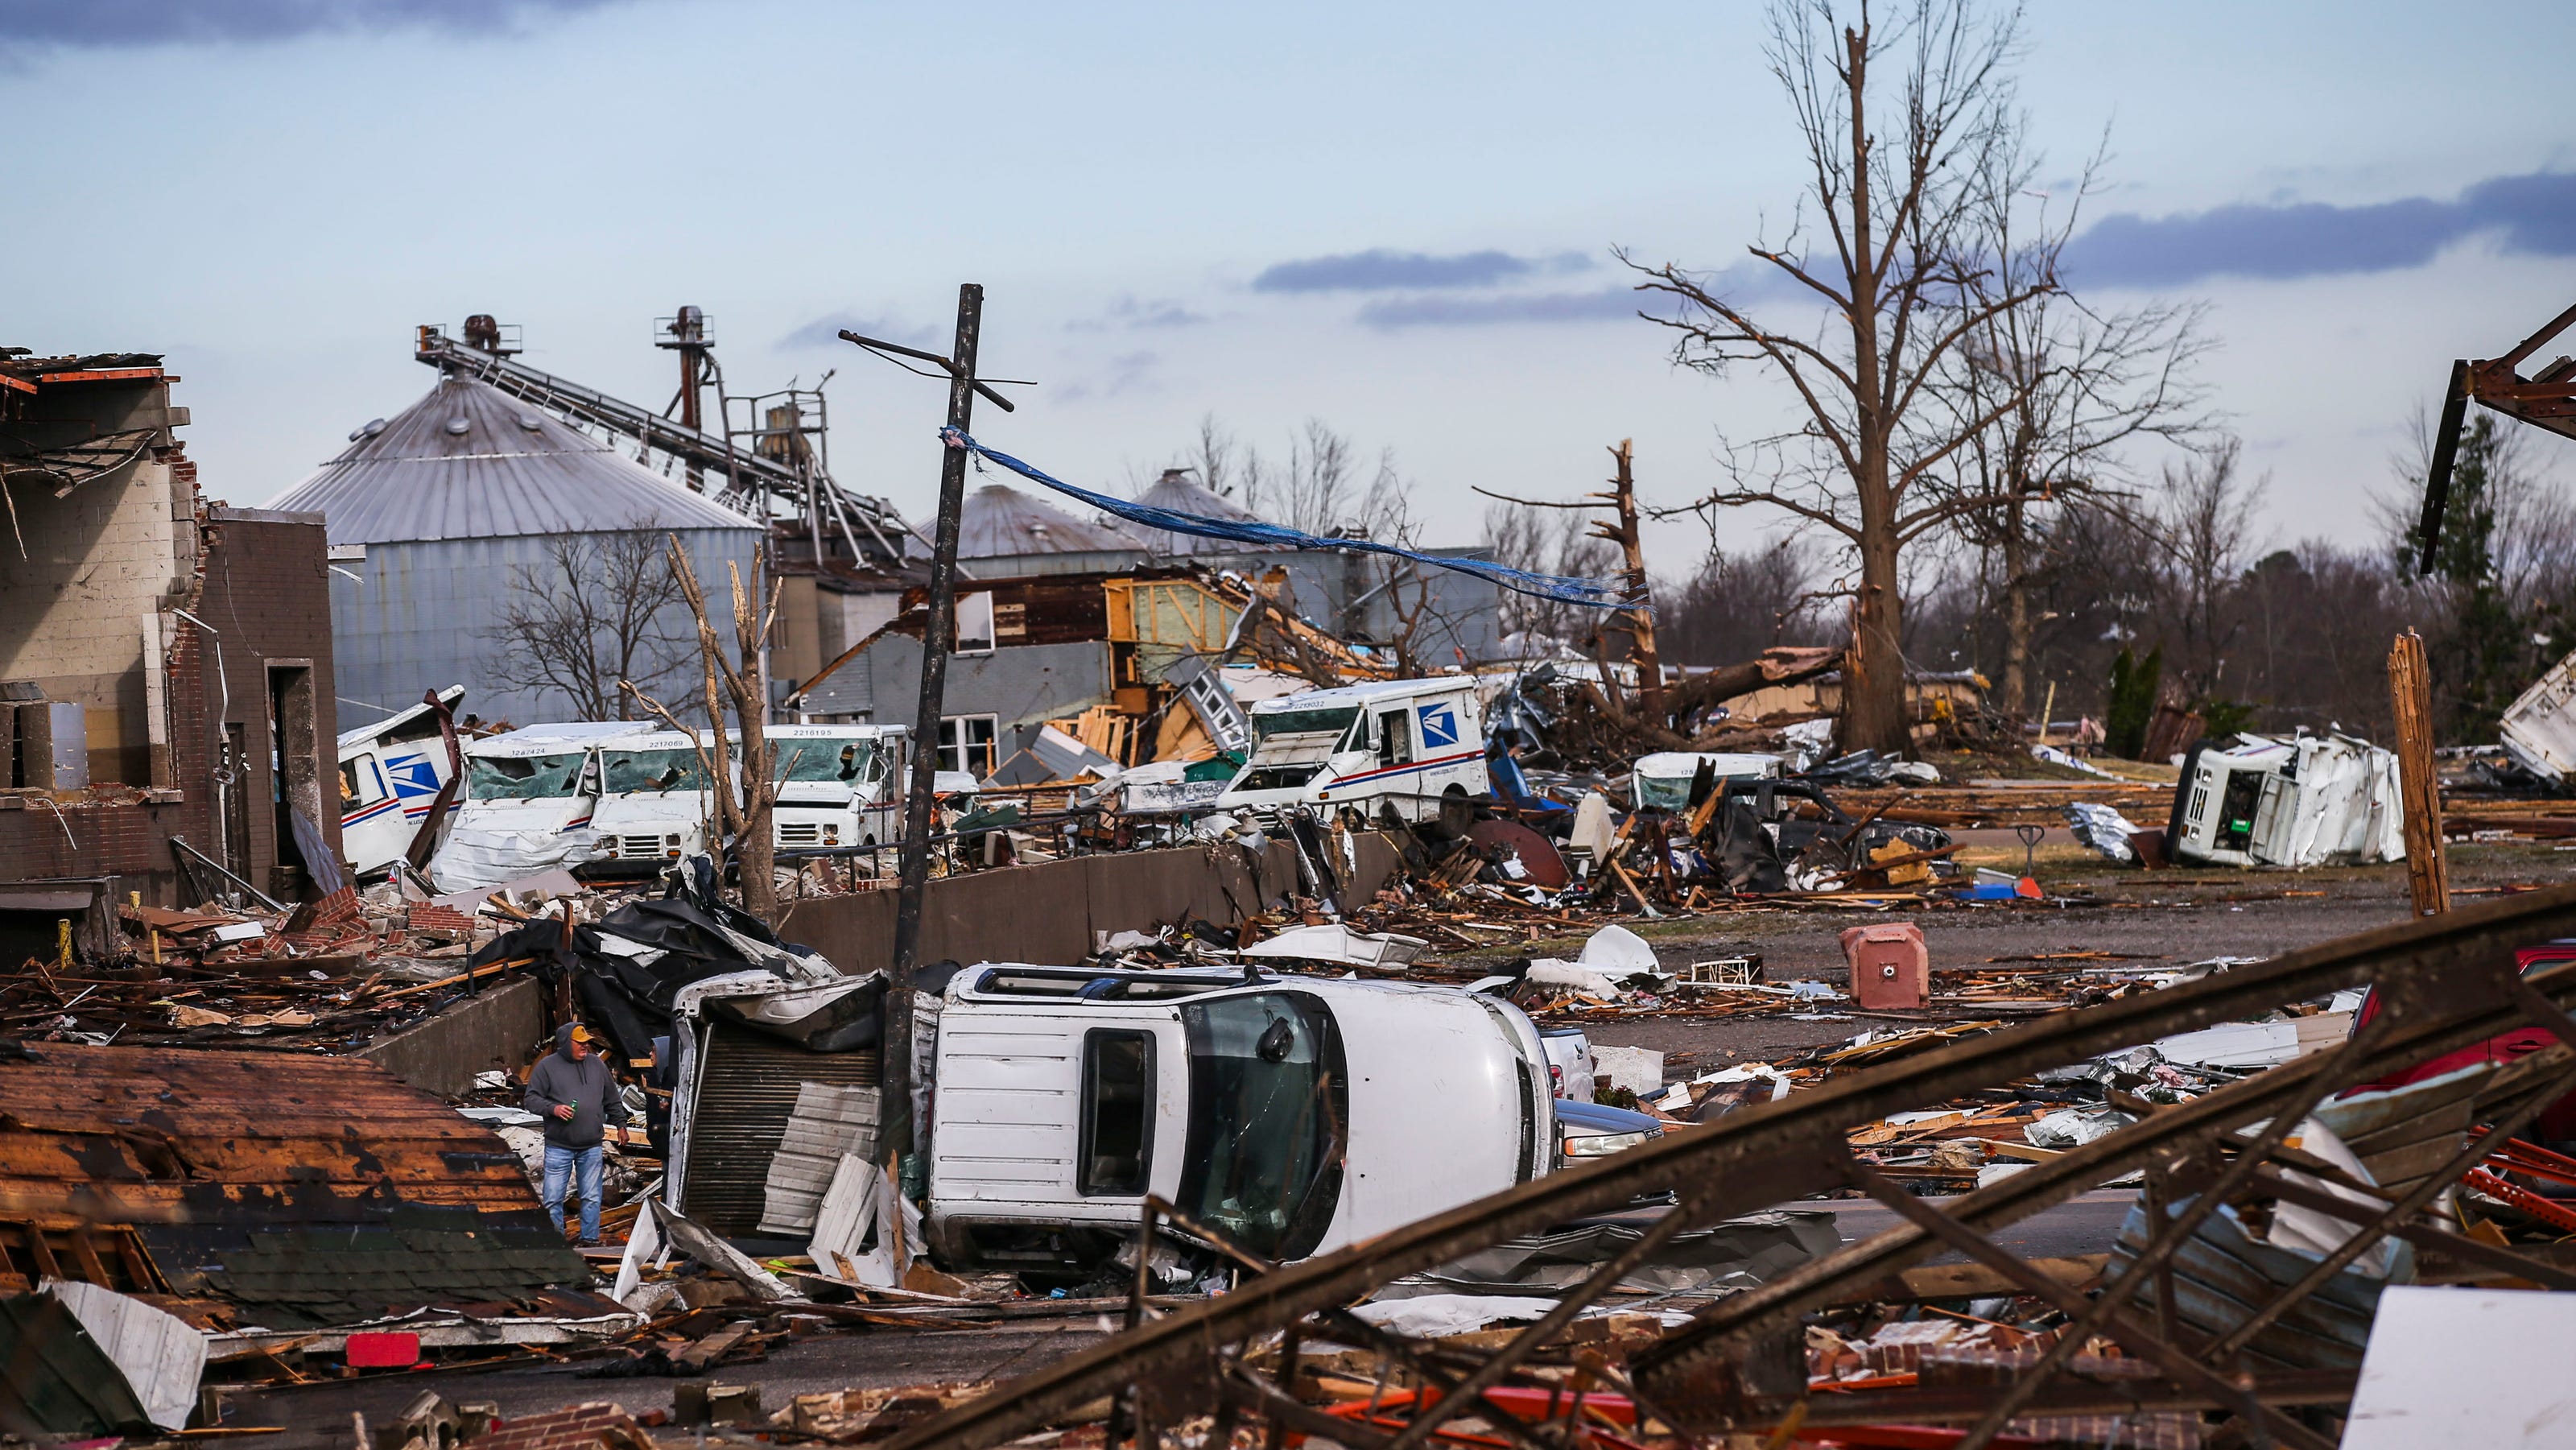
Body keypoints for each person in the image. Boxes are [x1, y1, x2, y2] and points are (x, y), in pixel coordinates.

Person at [524, 1022, 616, 1244]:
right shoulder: (547, 1067)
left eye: (586, 1042)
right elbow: (531, 1099)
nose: (585, 1046)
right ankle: (556, 1243)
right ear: (566, 1043)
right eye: (579, 1042)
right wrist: (553, 1109)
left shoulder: (596, 1065)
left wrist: (621, 1125)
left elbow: (612, 1098)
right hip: (559, 1146)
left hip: (591, 1145)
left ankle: (589, 1240)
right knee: (553, 1198)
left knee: (592, 1197)